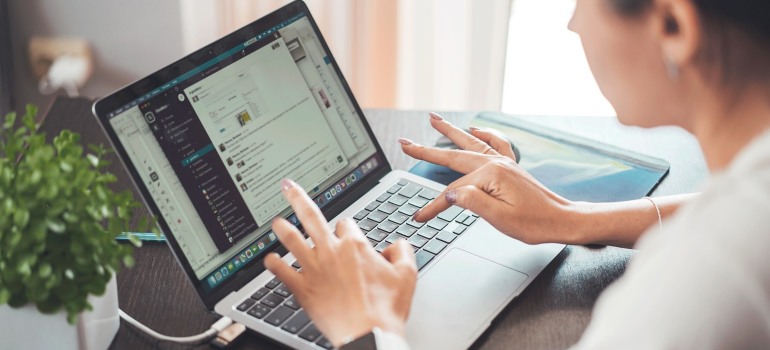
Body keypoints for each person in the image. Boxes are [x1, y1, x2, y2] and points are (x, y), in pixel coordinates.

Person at [264, 0, 770, 348]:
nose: (573, 24)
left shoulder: (699, 283)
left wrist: (368, 330)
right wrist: (575, 217)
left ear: (675, 27)